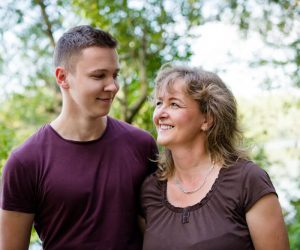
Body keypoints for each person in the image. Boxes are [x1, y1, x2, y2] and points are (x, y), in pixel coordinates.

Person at [0, 25, 157, 250]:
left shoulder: (142, 145)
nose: (113, 86)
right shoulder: (25, 161)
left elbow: (155, 232)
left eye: (115, 75)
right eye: (99, 75)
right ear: (63, 77)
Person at [140, 64, 290, 250]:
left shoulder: (248, 181)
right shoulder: (150, 189)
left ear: (207, 119)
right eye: (159, 103)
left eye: (174, 104)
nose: (160, 113)